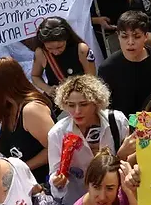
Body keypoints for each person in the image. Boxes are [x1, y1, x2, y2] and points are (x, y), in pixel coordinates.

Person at [48, 75, 130, 205]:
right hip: (76, 199)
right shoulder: (57, 133)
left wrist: (121, 156)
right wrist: (58, 181)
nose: (77, 111)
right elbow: (54, 174)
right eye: (71, 105)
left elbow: (128, 166)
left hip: (112, 199)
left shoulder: (117, 121)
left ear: (96, 103)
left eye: (83, 104)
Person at [0, 56, 55, 183]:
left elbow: (56, 147)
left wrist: (22, 168)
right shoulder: (9, 110)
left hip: (49, 181)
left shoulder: (31, 110)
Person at [96, 11, 151, 117]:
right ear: (118, 36)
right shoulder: (107, 68)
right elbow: (103, 107)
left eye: (136, 37)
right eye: (124, 37)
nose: (130, 42)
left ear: (146, 36)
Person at [31, 17, 97, 100]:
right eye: (49, 48)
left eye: (59, 47)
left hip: (82, 97)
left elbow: (91, 77)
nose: (55, 52)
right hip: (57, 101)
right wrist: (47, 89)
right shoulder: (41, 53)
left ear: (67, 38)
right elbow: (35, 76)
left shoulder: (81, 50)